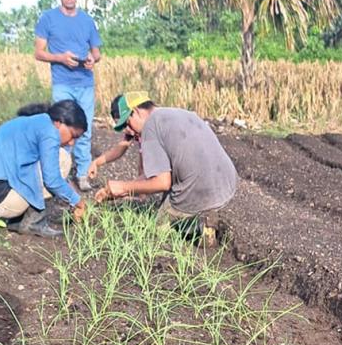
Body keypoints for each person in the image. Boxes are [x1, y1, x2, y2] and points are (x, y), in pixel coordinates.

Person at [93, 91, 237, 241]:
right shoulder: (178, 113)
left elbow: (162, 182)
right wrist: (121, 191)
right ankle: (205, 211)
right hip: (227, 183)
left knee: (159, 230)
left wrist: (123, 187)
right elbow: (156, 173)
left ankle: (200, 226)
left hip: (200, 190)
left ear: (135, 111)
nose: (128, 131)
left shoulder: (150, 127)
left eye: (127, 124)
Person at [0, 100, 88, 238]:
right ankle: (34, 222)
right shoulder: (50, 133)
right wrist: (78, 201)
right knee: (63, 159)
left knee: (56, 159)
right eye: (73, 135)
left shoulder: (40, 121)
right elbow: (52, 180)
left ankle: (18, 220)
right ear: (59, 122)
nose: (72, 142)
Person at [34, 0, 102, 192]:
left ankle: (82, 174)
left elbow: (97, 52)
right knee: (60, 129)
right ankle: (59, 172)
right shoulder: (47, 19)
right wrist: (61, 58)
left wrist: (92, 59)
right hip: (62, 82)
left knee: (85, 129)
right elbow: (39, 53)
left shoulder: (87, 21)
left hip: (84, 82)